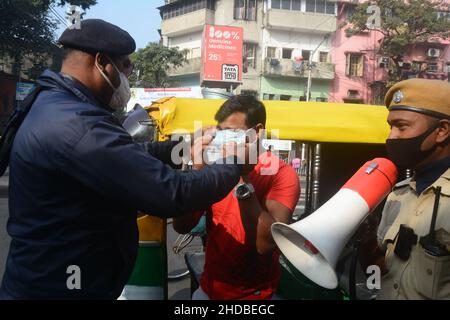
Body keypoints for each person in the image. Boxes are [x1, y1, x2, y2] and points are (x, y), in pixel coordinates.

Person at [0, 20, 246, 300]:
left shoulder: (54, 104)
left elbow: (128, 155)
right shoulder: (78, 126)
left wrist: (185, 147)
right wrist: (233, 162)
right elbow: (171, 193)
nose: (129, 74)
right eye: (126, 65)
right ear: (102, 63)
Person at [173, 95, 301, 300]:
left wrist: (241, 176)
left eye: (232, 131)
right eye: (220, 131)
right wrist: (194, 169)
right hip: (209, 288)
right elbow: (181, 226)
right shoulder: (213, 168)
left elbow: (266, 244)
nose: (223, 138)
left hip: (256, 296)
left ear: (257, 132)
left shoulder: (281, 174)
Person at [375, 78, 450, 299]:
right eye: (391, 127)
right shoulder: (397, 194)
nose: (392, 136)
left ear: (442, 130)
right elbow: (385, 268)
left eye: (402, 126)